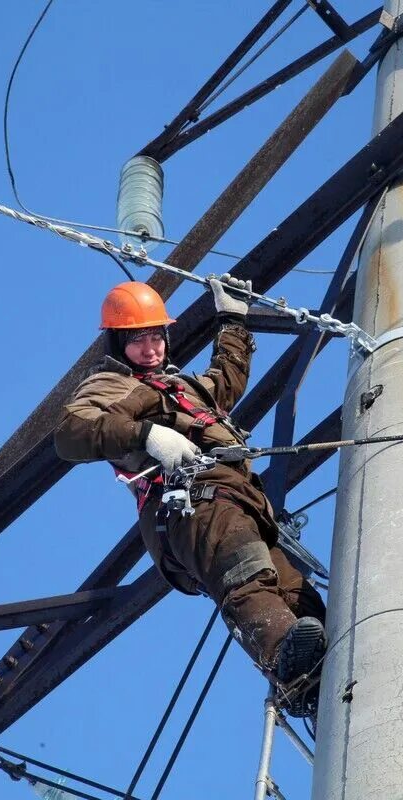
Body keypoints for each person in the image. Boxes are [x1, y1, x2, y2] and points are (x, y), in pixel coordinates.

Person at [54, 276, 326, 703]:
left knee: (296, 593)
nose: (151, 348)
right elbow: (72, 434)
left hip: (241, 501)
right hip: (188, 501)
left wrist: (232, 321)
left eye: (157, 336)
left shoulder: (183, 388)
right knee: (245, 573)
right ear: (117, 343)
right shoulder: (109, 387)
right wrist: (146, 435)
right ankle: (284, 660)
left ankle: (321, 670)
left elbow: (225, 381)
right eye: (138, 339)